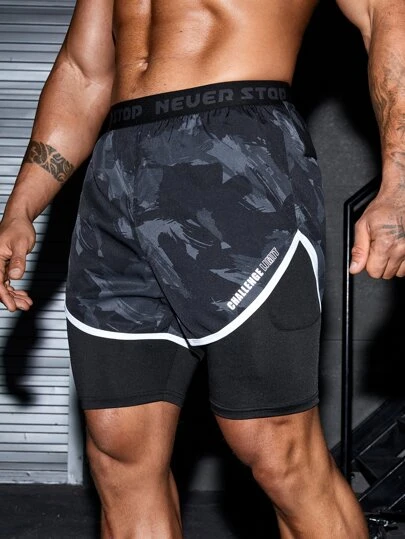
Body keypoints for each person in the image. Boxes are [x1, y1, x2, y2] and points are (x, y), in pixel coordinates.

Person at [0, 0, 404, 537]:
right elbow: (84, 70)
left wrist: (399, 181)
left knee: (278, 450)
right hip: (115, 176)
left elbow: (386, 12)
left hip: (234, 155)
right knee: (118, 455)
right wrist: (22, 206)